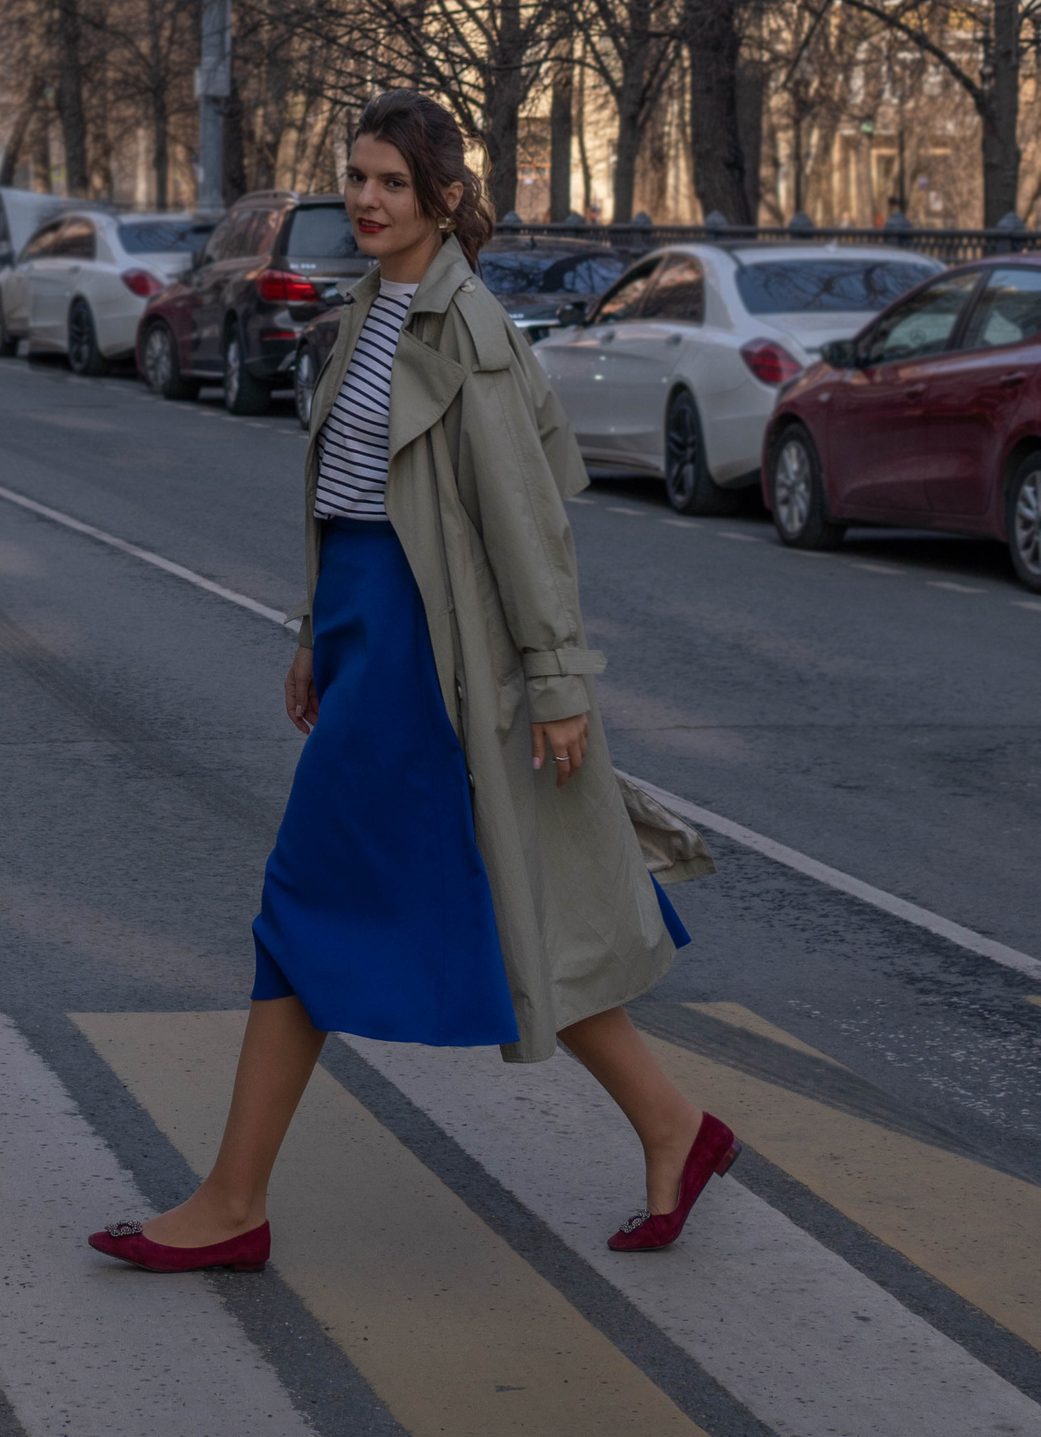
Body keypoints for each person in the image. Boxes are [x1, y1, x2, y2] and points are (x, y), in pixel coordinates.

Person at [91, 86, 736, 1278]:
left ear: (444, 197)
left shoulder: (463, 330)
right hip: (364, 632)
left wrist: (558, 682)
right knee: (498, 902)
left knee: (303, 902)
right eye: (358, 177)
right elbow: (353, 500)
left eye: (393, 181)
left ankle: (233, 1202)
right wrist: (312, 633)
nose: (368, 199)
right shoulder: (367, 311)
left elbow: (527, 523)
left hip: (425, 660)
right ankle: (672, 1127)